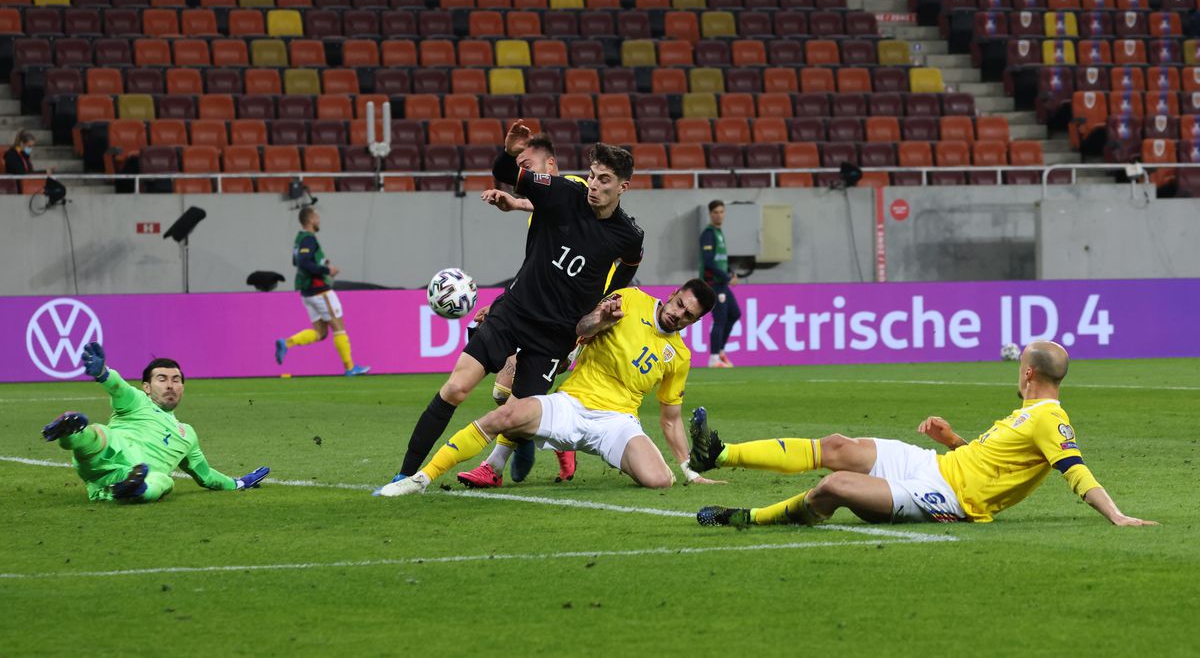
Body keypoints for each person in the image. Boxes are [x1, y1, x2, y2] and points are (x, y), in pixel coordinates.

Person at [378, 122, 645, 493]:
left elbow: (630, 265)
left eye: (603, 179)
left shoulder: (628, 235)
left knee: (512, 416)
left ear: (623, 187)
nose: (595, 185)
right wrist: (508, 152)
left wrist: (603, 301)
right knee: (456, 388)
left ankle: (519, 454)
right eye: (592, 176)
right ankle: (405, 473)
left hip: (555, 337)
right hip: (515, 312)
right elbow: (506, 174)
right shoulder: (565, 192)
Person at [690, 341, 1157, 528]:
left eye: (1019, 368)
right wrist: (953, 440)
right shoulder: (1027, 415)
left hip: (947, 497)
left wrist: (1116, 515)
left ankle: (746, 517)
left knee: (832, 487)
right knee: (837, 447)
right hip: (935, 465)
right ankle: (719, 454)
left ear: (1029, 371)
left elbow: (1075, 471)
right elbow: (992, 464)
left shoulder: (1051, 420)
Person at [379, 280, 722, 496]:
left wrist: (688, 469)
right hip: (572, 403)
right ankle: (422, 478)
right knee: (505, 412)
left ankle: (582, 451)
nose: (679, 315)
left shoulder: (679, 355)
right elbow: (582, 325)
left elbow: (671, 418)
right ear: (673, 293)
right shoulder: (632, 299)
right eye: (680, 304)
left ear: (695, 321)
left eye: (688, 315)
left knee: (660, 479)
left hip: (617, 422)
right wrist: (601, 320)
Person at [460, 133, 592, 486]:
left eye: (526, 167)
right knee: (504, 391)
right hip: (533, 305)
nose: (522, 176)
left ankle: (496, 464)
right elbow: (538, 262)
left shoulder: (574, 186)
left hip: (570, 316)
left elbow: (561, 198)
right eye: (518, 169)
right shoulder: (543, 208)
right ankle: (550, 440)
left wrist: (516, 202)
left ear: (550, 166)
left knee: (518, 394)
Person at [42, 343, 269, 503]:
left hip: (134, 476)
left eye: (176, 380)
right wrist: (103, 373)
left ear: (182, 387)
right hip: (107, 457)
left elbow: (205, 475)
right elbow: (119, 387)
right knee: (100, 434)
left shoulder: (187, 435)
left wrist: (237, 483)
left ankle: (131, 488)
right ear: (147, 387)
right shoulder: (137, 401)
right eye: (162, 379)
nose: (170, 385)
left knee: (164, 480)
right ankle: (68, 432)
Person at [274, 206, 370, 376]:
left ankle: (286, 343)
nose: (319, 220)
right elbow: (303, 263)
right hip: (319, 291)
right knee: (338, 326)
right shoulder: (309, 239)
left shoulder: (300, 239)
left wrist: (322, 263)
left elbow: (296, 261)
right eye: (317, 217)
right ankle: (350, 367)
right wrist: (327, 271)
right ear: (310, 219)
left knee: (321, 332)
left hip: (307, 292)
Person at [700, 200, 740, 369]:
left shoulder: (719, 233)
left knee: (734, 314)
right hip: (713, 284)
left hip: (722, 282)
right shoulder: (708, 234)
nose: (719, 215)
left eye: (721, 212)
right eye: (715, 212)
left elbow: (721, 259)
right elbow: (708, 262)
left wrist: (731, 272)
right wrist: (726, 277)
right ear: (710, 214)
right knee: (720, 319)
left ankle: (721, 352)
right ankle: (714, 358)